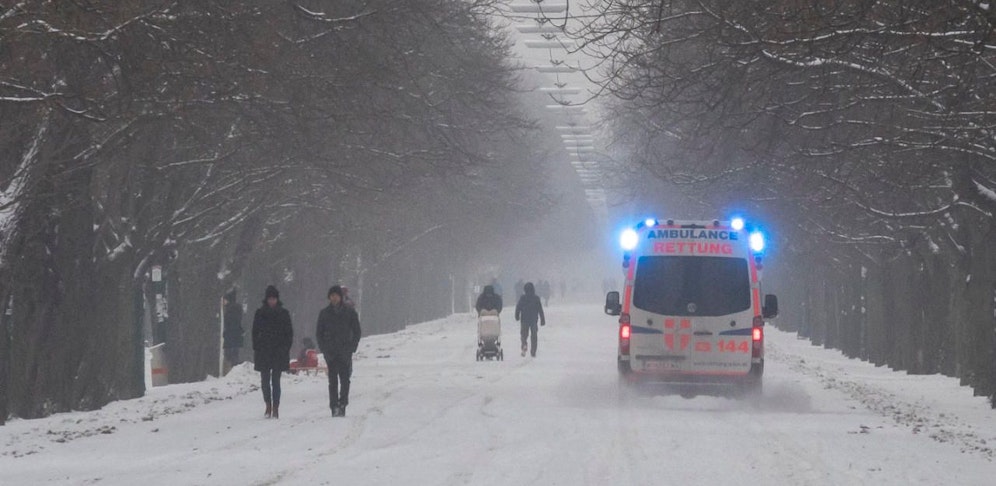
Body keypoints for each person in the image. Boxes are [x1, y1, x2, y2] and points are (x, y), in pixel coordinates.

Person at [317, 285, 362, 417]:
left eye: (336, 295)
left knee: (345, 379)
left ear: (340, 297)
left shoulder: (350, 312)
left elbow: (357, 331)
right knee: (332, 381)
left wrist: (352, 347)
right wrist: (324, 349)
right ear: (329, 297)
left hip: (345, 351)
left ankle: (343, 403)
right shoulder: (324, 313)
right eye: (332, 296)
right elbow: (319, 333)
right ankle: (334, 405)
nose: (334, 298)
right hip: (330, 353)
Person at [252, 285, 293, 419]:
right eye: (270, 299)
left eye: (274, 299)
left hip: (278, 351)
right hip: (263, 351)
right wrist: (256, 346)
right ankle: (267, 404)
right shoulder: (260, 313)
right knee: (264, 381)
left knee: (276, 380)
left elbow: (289, 333)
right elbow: (254, 332)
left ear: (277, 299)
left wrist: (286, 348)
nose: (272, 301)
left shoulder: (284, 313)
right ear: (266, 299)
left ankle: (275, 406)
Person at [515, 282, 546, 357]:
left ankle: (524, 344)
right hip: (533, 320)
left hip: (524, 319)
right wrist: (542, 319)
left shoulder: (522, 298)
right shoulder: (536, 298)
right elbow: (540, 310)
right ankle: (533, 351)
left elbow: (518, 307)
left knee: (523, 334)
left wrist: (517, 315)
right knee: (534, 336)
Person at [222, 290, 244, 372]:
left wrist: (226, 332)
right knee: (234, 352)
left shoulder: (230, 309)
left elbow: (230, 322)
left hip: (231, 333)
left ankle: (233, 368)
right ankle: (234, 367)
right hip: (236, 333)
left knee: (230, 354)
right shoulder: (237, 308)